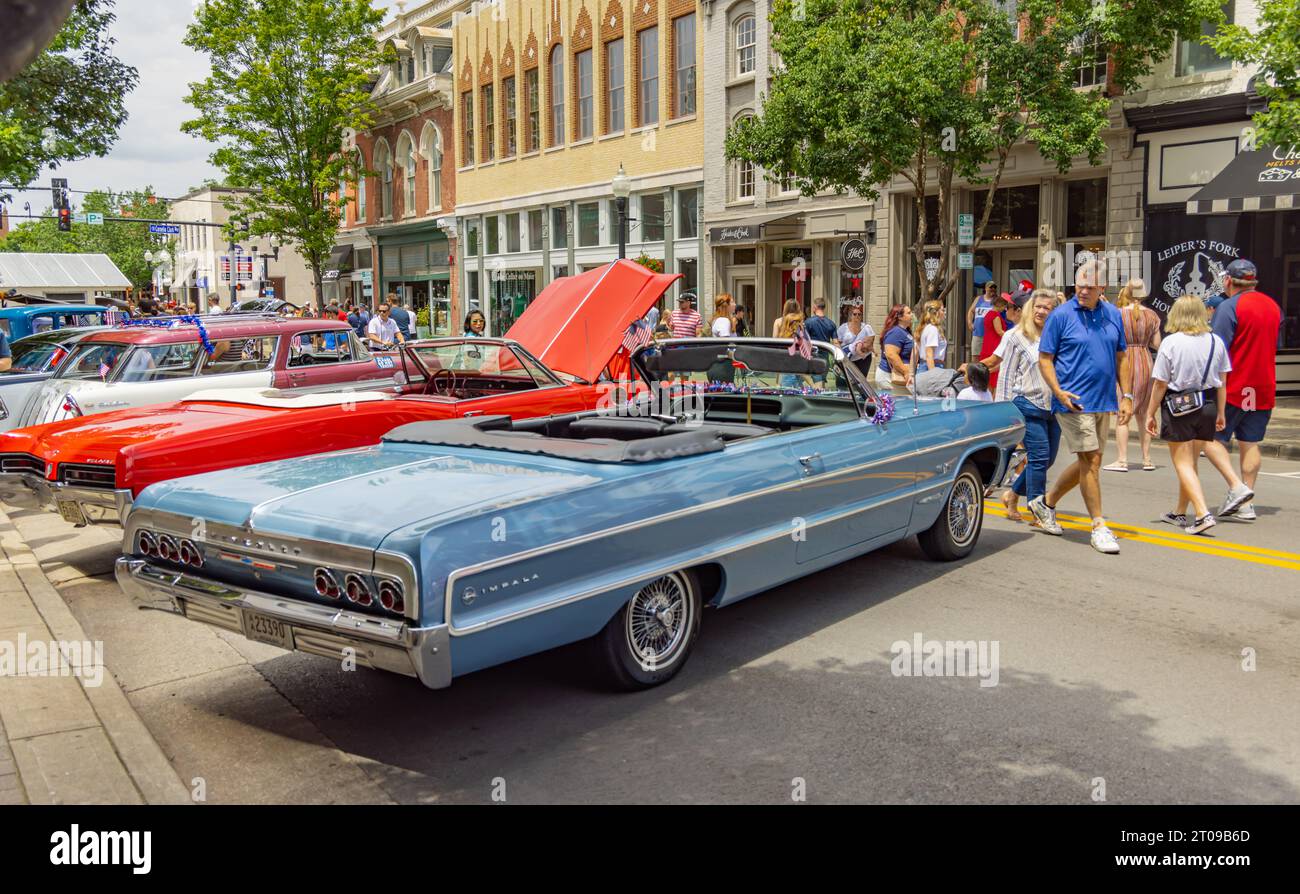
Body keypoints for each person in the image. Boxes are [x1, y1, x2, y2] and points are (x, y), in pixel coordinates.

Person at [1031, 260, 1133, 554]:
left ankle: (1046, 503)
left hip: (1104, 400)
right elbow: (1045, 358)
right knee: (1091, 461)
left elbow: (1122, 357)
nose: (1083, 291)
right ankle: (1099, 526)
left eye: (1090, 287)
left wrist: (1127, 396)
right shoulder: (1061, 316)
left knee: (1091, 460)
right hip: (1073, 401)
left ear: (1103, 288)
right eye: (1079, 285)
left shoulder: (1113, 314)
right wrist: (1058, 391)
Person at [1145, 294, 1234, 535]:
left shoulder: (1171, 342)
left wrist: (1150, 413)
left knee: (1182, 463)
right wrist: (1222, 413)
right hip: (1208, 404)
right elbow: (1223, 382)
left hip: (1179, 405)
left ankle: (1203, 513)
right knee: (1190, 462)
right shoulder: (1216, 341)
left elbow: (1160, 384)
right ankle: (1180, 512)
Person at [1202, 259, 1280, 522]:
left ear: (1228, 281)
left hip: (1233, 384)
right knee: (1251, 443)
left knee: (1209, 438)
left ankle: (1237, 487)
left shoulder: (1229, 307)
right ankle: (1247, 503)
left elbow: (1218, 347)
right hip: (1263, 383)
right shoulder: (1273, 306)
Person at [1103, 278, 1162, 473]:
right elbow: (1156, 343)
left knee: (1123, 410)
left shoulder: (1117, 314)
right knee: (1144, 412)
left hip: (1125, 360)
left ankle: (1122, 459)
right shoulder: (1152, 315)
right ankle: (1147, 459)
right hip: (1145, 361)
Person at [875, 303, 915, 392]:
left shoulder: (904, 331)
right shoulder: (896, 332)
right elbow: (891, 355)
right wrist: (906, 372)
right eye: (909, 313)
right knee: (894, 405)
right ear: (900, 317)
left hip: (899, 377)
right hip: (890, 377)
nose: (912, 315)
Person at [977, 294, 1010, 392]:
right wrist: (1011, 336)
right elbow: (999, 331)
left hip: (987, 345)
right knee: (993, 377)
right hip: (994, 346)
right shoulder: (995, 315)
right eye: (1004, 306)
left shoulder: (988, 314)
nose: (1004, 309)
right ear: (1000, 305)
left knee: (988, 375)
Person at [837, 305, 875, 377]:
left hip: (864, 358)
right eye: (854, 314)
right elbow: (837, 343)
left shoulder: (867, 327)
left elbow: (871, 342)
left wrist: (864, 348)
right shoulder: (843, 328)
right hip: (848, 358)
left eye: (859, 314)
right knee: (849, 379)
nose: (857, 316)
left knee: (862, 379)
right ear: (850, 315)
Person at [913, 300, 947, 373]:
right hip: (932, 366)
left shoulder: (924, 328)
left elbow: (915, 353)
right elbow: (929, 355)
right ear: (936, 313)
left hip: (924, 366)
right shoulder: (933, 329)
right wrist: (933, 375)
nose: (944, 313)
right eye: (942, 310)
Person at [969, 281, 997, 358]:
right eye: (991, 287)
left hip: (991, 335)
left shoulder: (996, 300)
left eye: (994, 287)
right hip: (978, 334)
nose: (993, 289)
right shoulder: (979, 299)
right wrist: (970, 323)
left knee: (989, 357)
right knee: (976, 357)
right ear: (985, 288)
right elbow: (971, 311)